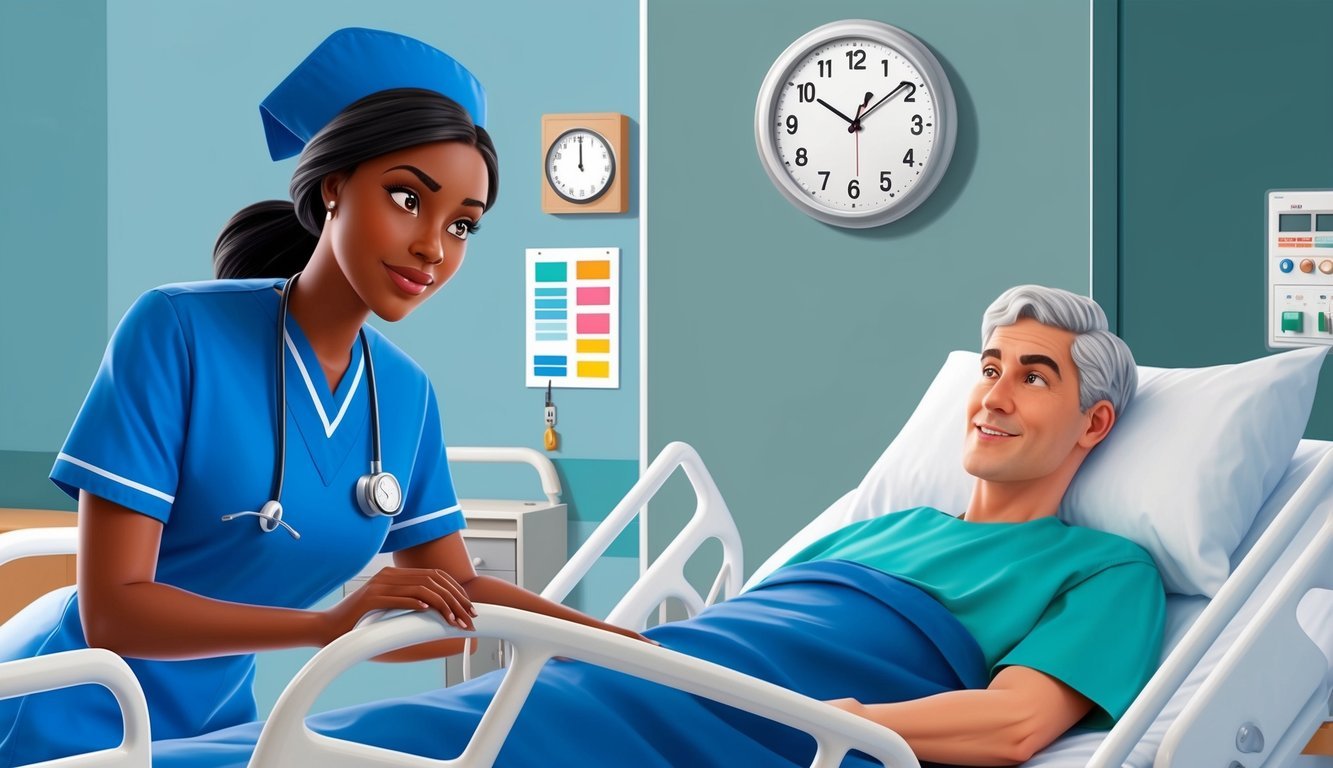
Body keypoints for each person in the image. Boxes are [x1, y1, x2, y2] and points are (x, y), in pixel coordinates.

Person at [145, 284, 1165, 768]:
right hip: (665, 669)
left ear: (1094, 422)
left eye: (1034, 377)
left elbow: (1015, 725)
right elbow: (733, 625)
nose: (992, 395)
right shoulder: (878, 526)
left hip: (756, 718)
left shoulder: (1100, 569)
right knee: (374, 732)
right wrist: (541, 619)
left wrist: (840, 722)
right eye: (988, 368)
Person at [0, 28, 642, 767]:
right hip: (62, 704)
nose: (434, 246)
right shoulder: (176, 330)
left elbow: (458, 587)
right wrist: (325, 627)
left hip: (214, 725)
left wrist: (630, 650)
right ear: (333, 185)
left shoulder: (404, 395)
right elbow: (113, 609)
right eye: (407, 198)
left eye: (462, 224)